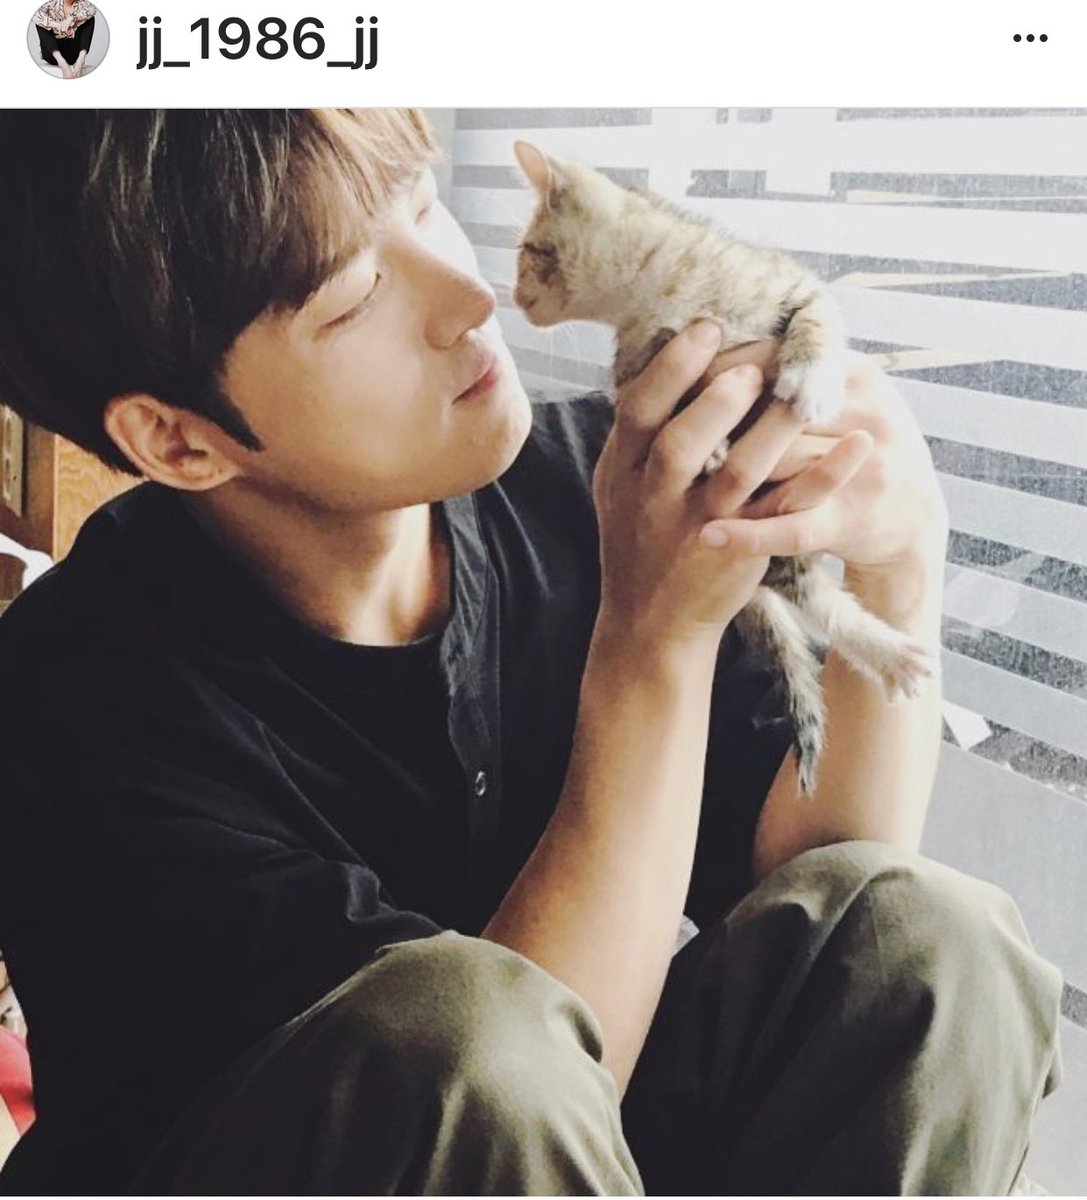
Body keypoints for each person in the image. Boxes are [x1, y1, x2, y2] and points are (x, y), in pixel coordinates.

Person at [0, 109, 1063, 1196]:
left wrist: (900, 567)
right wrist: (653, 646)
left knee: (929, 943)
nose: (470, 298)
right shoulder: (70, 714)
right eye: (355, 297)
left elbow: (829, 905)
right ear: (178, 439)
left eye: (423, 205)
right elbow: (480, 1109)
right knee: (468, 1031)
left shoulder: (592, 485)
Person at [32, 0, 96, 79]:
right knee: (41, 22)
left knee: (90, 18)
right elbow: (35, 15)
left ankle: (81, 60)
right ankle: (62, 63)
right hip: (52, 54)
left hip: (73, 53)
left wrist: (72, 18)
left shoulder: (82, 3)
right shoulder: (51, 3)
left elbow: (93, 9)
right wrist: (59, 25)